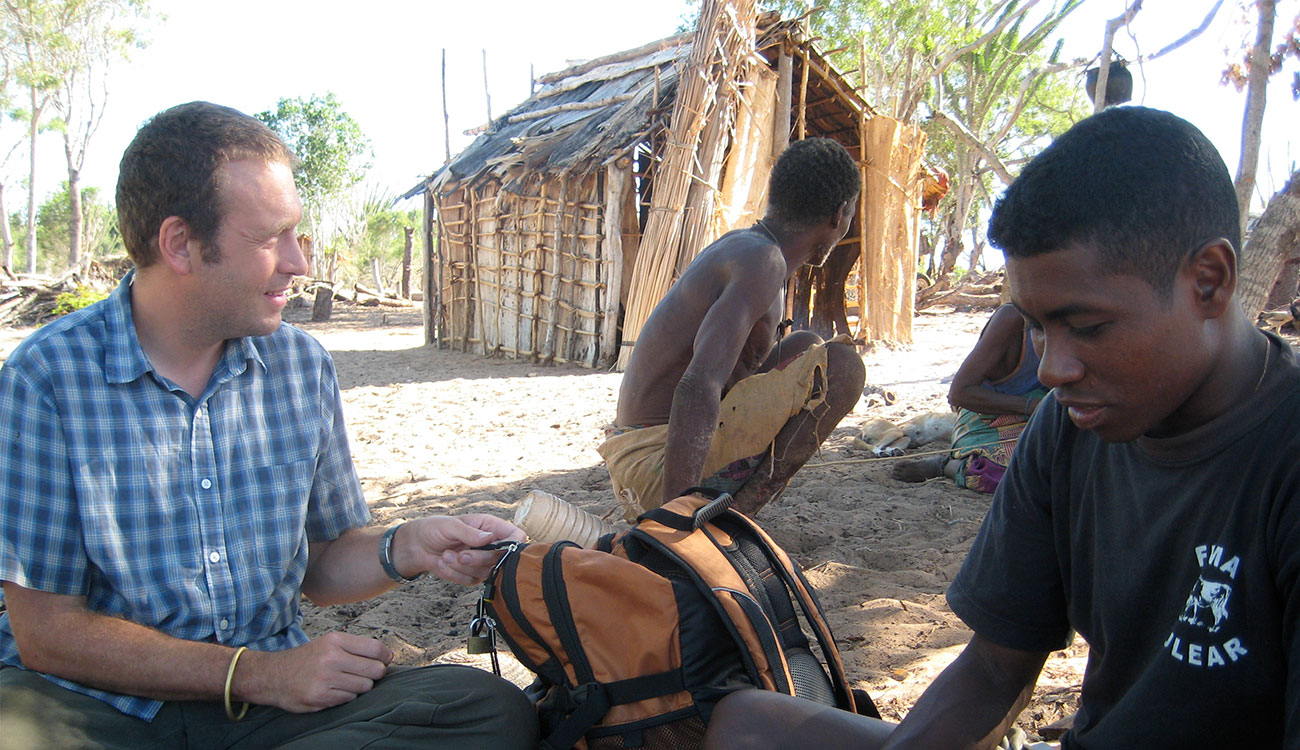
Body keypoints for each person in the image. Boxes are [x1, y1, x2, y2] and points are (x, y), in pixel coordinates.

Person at [701, 106, 1300, 748]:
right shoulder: (1070, 429)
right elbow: (994, 667)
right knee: (744, 724)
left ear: (1208, 281)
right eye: (1038, 326)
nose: (1053, 368)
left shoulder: (1283, 458)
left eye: (1089, 326)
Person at [0, 102, 538, 749]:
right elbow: (47, 632)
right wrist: (257, 674)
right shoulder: (48, 376)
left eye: (297, 235)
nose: (298, 263)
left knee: (484, 709)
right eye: (268, 239)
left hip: (270, 710)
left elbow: (322, 561)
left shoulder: (298, 367)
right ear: (180, 245)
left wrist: (409, 545)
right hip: (96, 709)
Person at [600, 137, 867, 519]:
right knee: (844, 367)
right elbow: (699, 383)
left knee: (805, 346)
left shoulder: (748, 246)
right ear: (839, 214)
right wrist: (674, 523)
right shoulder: (764, 261)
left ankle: (717, 517)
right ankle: (733, 521)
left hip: (637, 451)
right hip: (654, 465)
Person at [891, 303, 1046, 493]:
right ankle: (947, 466)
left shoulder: (1078, 319)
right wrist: (1032, 406)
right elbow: (960, 393)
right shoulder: (1013, 319)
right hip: (990, 418)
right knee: (1005, 476)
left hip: (1043, 418)